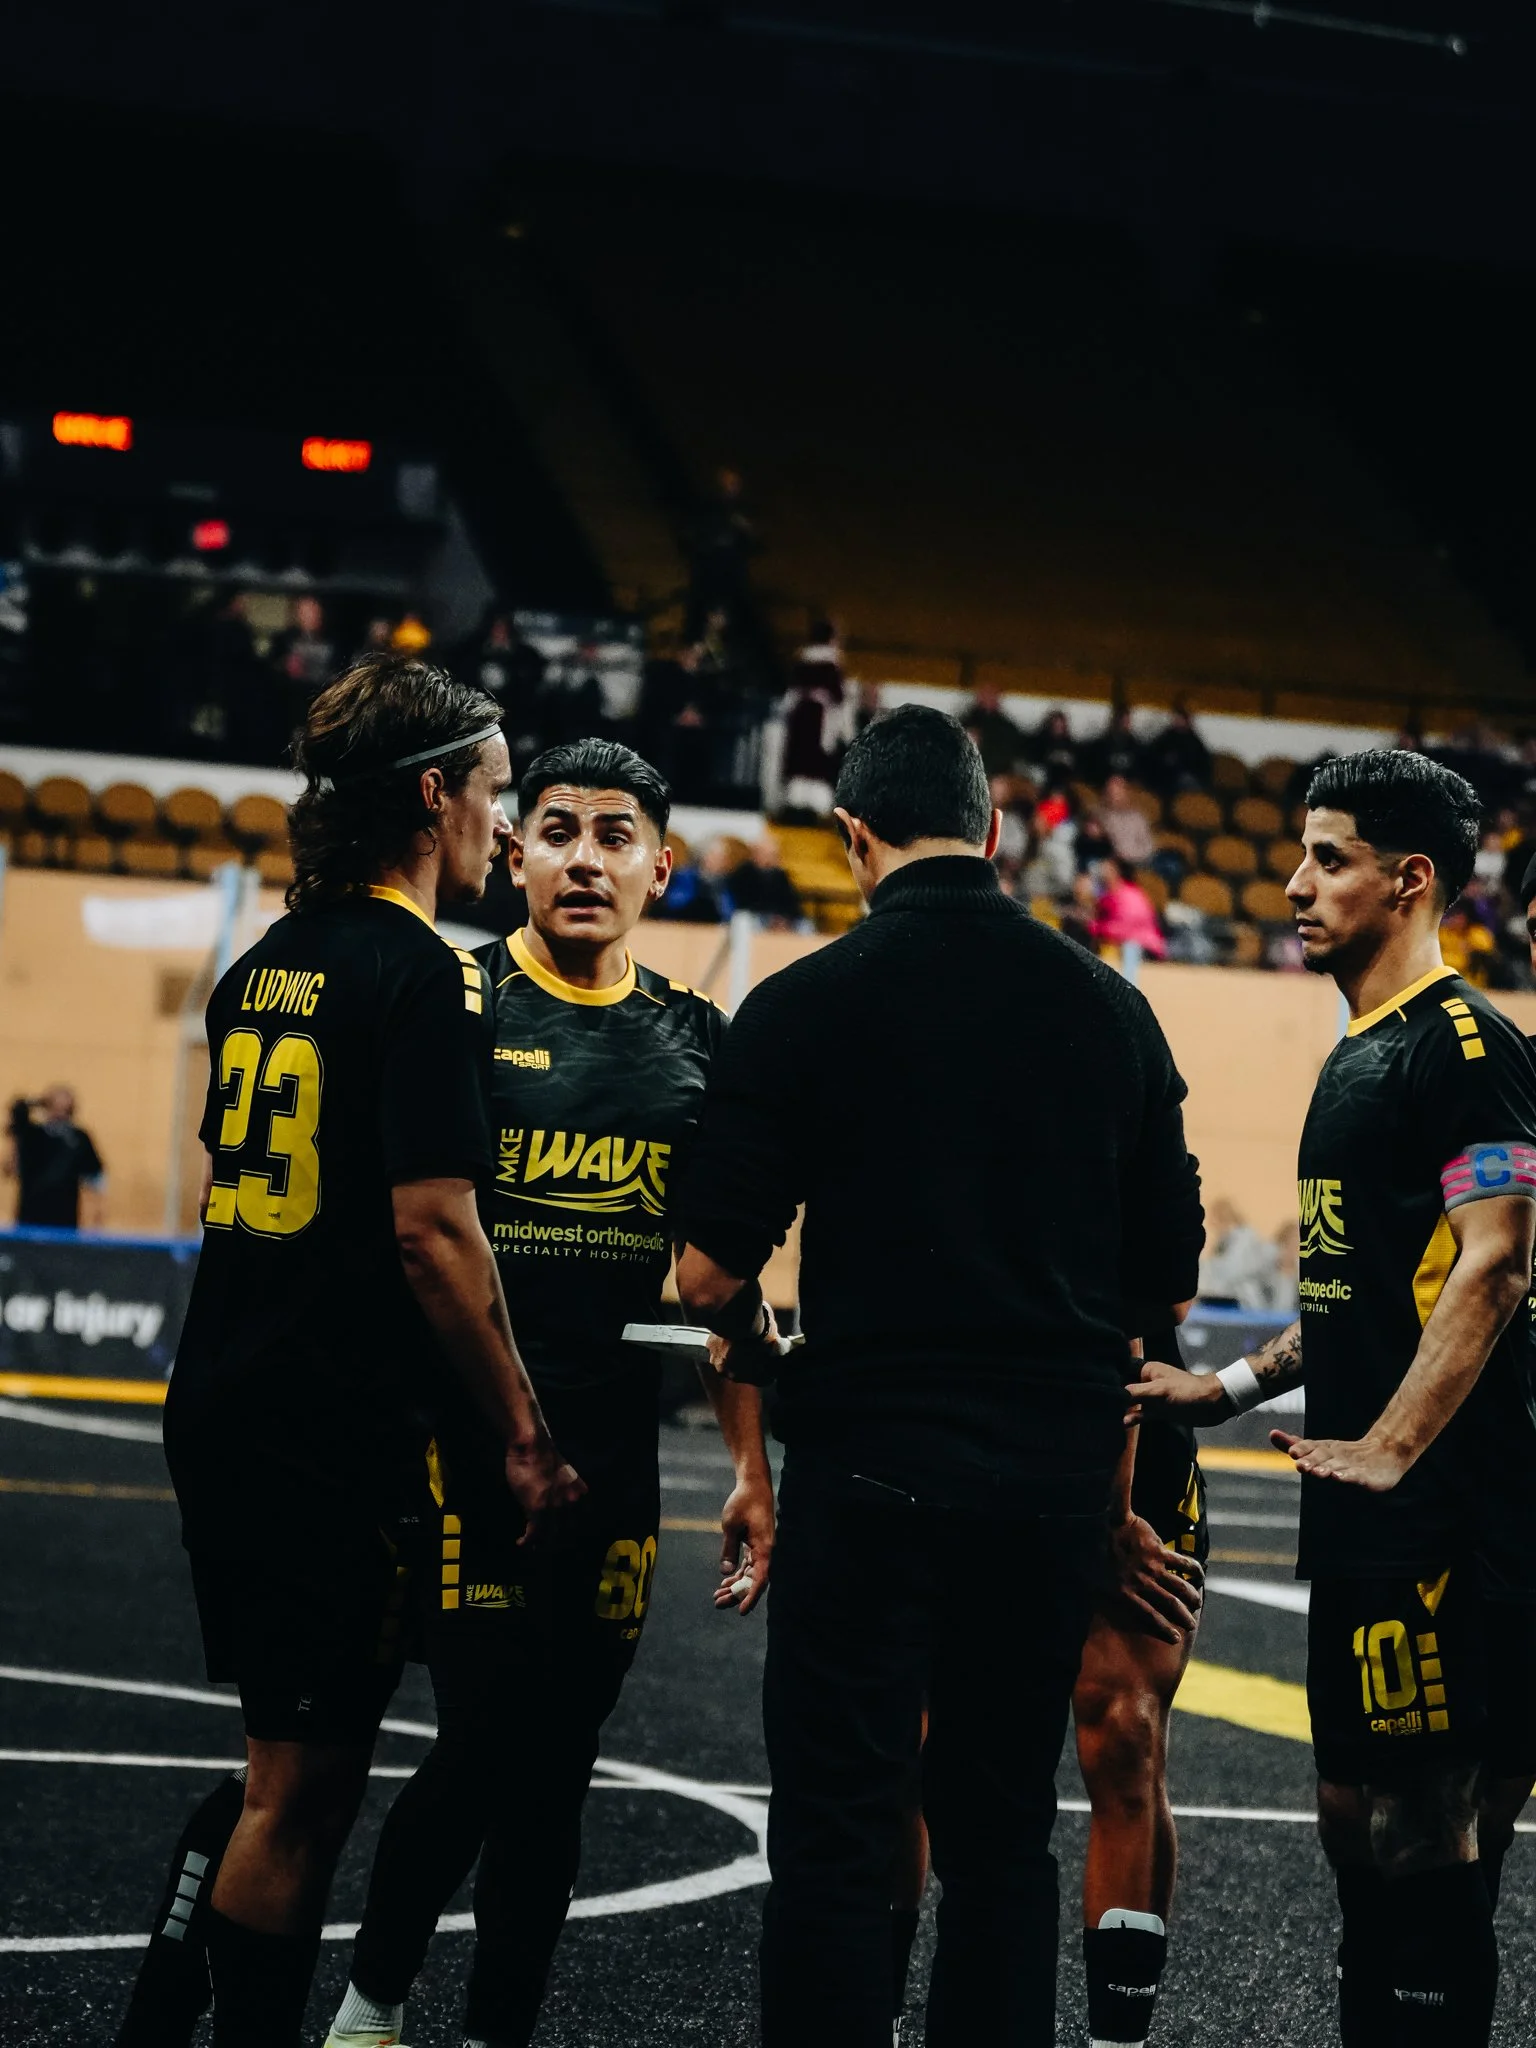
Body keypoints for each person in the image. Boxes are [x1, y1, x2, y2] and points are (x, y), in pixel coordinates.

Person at [675, 704, 1205, 2047]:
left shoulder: (801, 1006)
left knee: (846, 1837)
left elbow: (705, 1276)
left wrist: (774, 1362)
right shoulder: (1112, 1011)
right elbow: (1161, 1294)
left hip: (866, 1472)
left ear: (854, 836)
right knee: (1000, 1844)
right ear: (994, 828)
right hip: (1042, 1492)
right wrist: (1111, 1499)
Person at [114, 655, 582, 2048]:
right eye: (497, 794)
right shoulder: (416, 977)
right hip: (321, 1422)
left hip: (238, 1393)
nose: (508, 827)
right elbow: (432, 1234)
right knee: (297, 1791)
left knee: (283, 1765)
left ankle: (158, 2018)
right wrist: (522, 1426)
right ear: (432, 794)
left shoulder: (264, 965)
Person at [324, 738, 771, 2048]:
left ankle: (495, 2029)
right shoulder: (451, 1004)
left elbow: (723, 1281)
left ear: (663, 868)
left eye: (617, 834)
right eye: (560, 829)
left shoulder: (700, 1043)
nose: (587, 857)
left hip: (619, 1461)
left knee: (557, 1773)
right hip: (461, 1451)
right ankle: (373, 2003)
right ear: (511, 851)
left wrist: (752, 1468)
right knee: (485, 1739)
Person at [1137, 749, 1536, 2046]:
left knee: (1428, 1831)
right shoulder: (1363, 1052)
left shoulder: (1468, 1048)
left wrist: (1390, 1447)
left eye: (1330, 858)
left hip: (1454, 1516)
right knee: (1358, 1827)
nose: (1296, 885)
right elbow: (1353, 1298)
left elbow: (1500, 1259)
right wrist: (1226, 1388)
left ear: (1410, 879)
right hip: (1378, 1515)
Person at [4, 1087, 105, 1229]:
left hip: (64, 1219)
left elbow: (95, 1178)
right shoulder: (33, 1135)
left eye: (66, 1108)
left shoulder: (79, 1138)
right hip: (30, 1218)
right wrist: (19, 1126)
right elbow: (10, 1169)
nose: (60, 1112)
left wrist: (96, 1217)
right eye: (55, 1105)